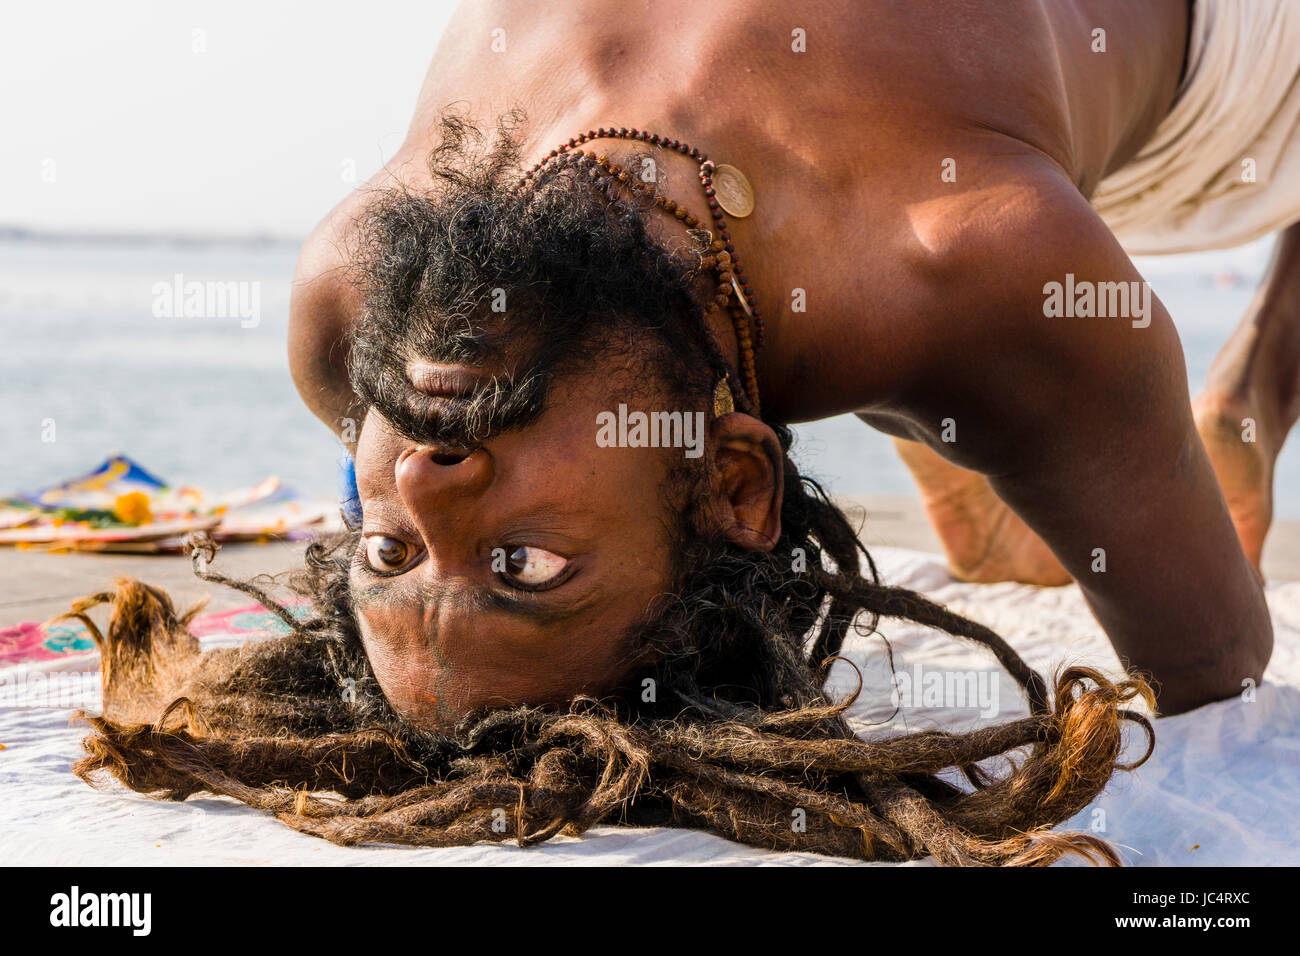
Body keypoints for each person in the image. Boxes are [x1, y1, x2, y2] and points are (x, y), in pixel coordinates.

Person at [73, 0, 1300, 863]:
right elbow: (1219, 668)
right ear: (734, 488)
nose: (432, 487)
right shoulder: (982, 270)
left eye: (385, 554)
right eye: (522, 566)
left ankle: (967, 415)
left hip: (946, 188)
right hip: (1209, 97)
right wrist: (1123, 477)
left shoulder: (353, 315)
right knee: (977, 320)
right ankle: (1225, 399)